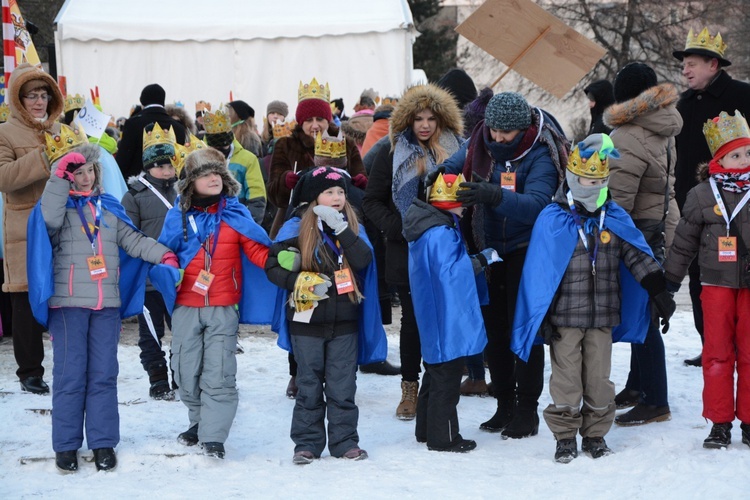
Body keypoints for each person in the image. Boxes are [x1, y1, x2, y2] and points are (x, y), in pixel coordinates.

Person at [511, 134, 675, 463]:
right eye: (587, 179)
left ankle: (596, 434)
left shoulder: (613, 218)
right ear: (572, 178)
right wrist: (540, 315)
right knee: (567, 381)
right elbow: (540, 272)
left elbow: (636, 255)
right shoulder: (552, 218)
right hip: (564, 320)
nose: (593, 186)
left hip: (603, 317)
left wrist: (658, 289)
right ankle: (565, 436)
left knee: (599, 380)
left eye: (599, 180)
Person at [28, 143, 178, 474]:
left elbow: (135, 240)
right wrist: (58, 175)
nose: (85, 176)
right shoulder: (58, 209)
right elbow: (48, 216)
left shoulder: (108, 208)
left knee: (104, 375)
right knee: (69, 375)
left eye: (90, 170)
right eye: (77, 171)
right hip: (68, 305)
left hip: (106, 304)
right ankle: (66, 444)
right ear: (67, 176)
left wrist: (164, 254)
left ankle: (103, 442)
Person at [437, 91, 569, 438]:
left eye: (504, 133)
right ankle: (504, 403)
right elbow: (452, 165)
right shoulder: (480, 140)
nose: (497, 139)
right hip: (488, 246)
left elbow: (540, 204)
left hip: (527, 248)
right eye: (493, 131)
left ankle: (527, 409)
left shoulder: (540, 152)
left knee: (523, 330)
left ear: (522, 129)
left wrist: (493, 194)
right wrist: (435, 177)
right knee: (494, 331)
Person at [266, 166, 387, 464]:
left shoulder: (352, 225)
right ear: (313, 196)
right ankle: (306, 444)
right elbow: (272, 266)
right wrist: (298, 282)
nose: (336, 197)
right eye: (329, 192)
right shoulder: (296, 227)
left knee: (343, 385)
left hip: (345, 322)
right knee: (308, 385)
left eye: (341, 192)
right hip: (305, 322)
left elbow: (364, 260)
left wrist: (342, 229)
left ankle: (345, 442)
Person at [157, 147, 272, 460]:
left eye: (218, 174)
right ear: (190, 182)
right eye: (205, 174)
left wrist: (280, 261)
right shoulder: (177, 216)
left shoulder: (236, 214)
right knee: (184, 369)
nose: (214, 179)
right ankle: (198, 422)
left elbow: (257, 250)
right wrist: (168, 267)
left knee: (219, 372)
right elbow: (163, 252)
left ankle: (213, 436)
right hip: (186, 304)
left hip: (223, 305)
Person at [363, 83, 464, 420]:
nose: (424, 125)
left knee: (444, 318)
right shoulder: (390, 153)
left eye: (431, 118)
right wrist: (397, 227)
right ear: (407, 121)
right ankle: (410, 387)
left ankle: (438, 387)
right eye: (418, 118)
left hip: (446, 249)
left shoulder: (456, 152)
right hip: (406, 251)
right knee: (413, 322)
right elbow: (372, 201)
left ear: (441, 121)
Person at [663, 110, 750, 449]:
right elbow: (683, 243)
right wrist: (669, 283)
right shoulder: (701, 196)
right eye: (736, 155)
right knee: (716, 354)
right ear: (720, 159)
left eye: (748, 153)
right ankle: (719, 422)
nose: (744, 161)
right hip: (715, 285)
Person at [603, 62, 682, 425]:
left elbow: (618, 203)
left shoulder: (627, 137)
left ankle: (655, 399)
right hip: (662, 226)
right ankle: (637, 385)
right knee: (643, 307)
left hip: (638, 233)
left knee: (644, 314)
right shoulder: (663, 126)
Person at [672, 27, 750, 367]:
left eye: (691, 63)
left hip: (739, 206)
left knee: (740, 281)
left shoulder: (743, 96)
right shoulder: (683, 104)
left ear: (713, 64)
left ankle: (741, 349)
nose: (685, 70)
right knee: (700, 280)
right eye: (684, 65)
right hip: (695, 205)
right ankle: (711, 347)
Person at [402, 172, 493, 452]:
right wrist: (480, 260)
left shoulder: (429, 228)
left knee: (434, 371)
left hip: (434, 314)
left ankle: (426, 430)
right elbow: (451, 273)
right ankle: (444, 437)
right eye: (462, 201)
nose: (466, 207)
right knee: (447, 377)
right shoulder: (441, 232)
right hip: (446, 317)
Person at [0, 63, 64, 395]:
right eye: (32, 95)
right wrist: (44, 155)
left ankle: (69, 364)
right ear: (18, 99)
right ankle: (29, 371)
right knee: (25, 300)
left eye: (44, 95)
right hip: (25, 228)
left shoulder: (62, 129)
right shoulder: (4, 132)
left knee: (66, 296)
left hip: (63, 227)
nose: (39, 102)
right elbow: (4, 178)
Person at [121, 122, 179, 400]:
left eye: (169, 164)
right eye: (159, 165)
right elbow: (129, 235)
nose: (166, 170)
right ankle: (157, 376)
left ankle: (181, 373)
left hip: (179, 276)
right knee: (151, 331)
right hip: (148, 278)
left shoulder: (184, 191)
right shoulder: (134, 196)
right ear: (147, 166)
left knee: (181, 329)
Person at [268, 78, 366, 238]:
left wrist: (360, 182)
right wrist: (285, 182)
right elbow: (273, 194)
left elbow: (362, 182)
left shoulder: (345, 143)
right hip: (297, 224)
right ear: (300, 122)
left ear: (327, 119)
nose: (315, 125)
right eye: (308, 120)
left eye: (319, 119)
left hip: (341, 222)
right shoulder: (285, 145)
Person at [203, 108, 267, 225]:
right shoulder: (199, 159)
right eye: (214, 148)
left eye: (223, 146)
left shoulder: (247, 159)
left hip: (239, 223)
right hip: (207, 224)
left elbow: (257, 197)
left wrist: (247, 226)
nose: (219, 152)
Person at [116, 83, 187, 179]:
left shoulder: (133, 123)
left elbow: (123, 159)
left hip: (138, 185)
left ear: (142, 101)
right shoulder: (178, 127)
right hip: (170, 183)